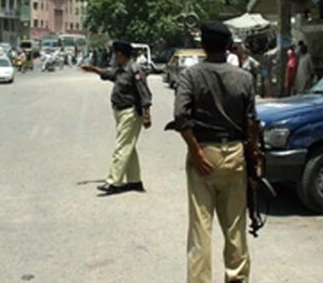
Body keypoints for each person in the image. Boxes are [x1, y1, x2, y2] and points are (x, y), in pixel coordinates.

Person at [173, 22, 263, 283]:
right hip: (235, 154)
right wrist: (254, 155)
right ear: (228, 46)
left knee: (200, 230)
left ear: (203, 46)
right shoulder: (244, 77)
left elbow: (180, 116)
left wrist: (196, 152)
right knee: (235, 227)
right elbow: (252, 122)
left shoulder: (190, 76)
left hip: (203, 153)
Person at [81, 41, 152, 194]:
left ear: (121, 55)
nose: (114, 57)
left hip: (131, 112)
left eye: (116, 55)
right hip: (120, 112)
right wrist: (93, 69)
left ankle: (114, 181)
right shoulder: (121, 70)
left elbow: (145, 94)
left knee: (121, 146)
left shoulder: (135, 70)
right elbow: (108, 74)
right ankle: (134, 181)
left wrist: (147, 115)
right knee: (129, 147)